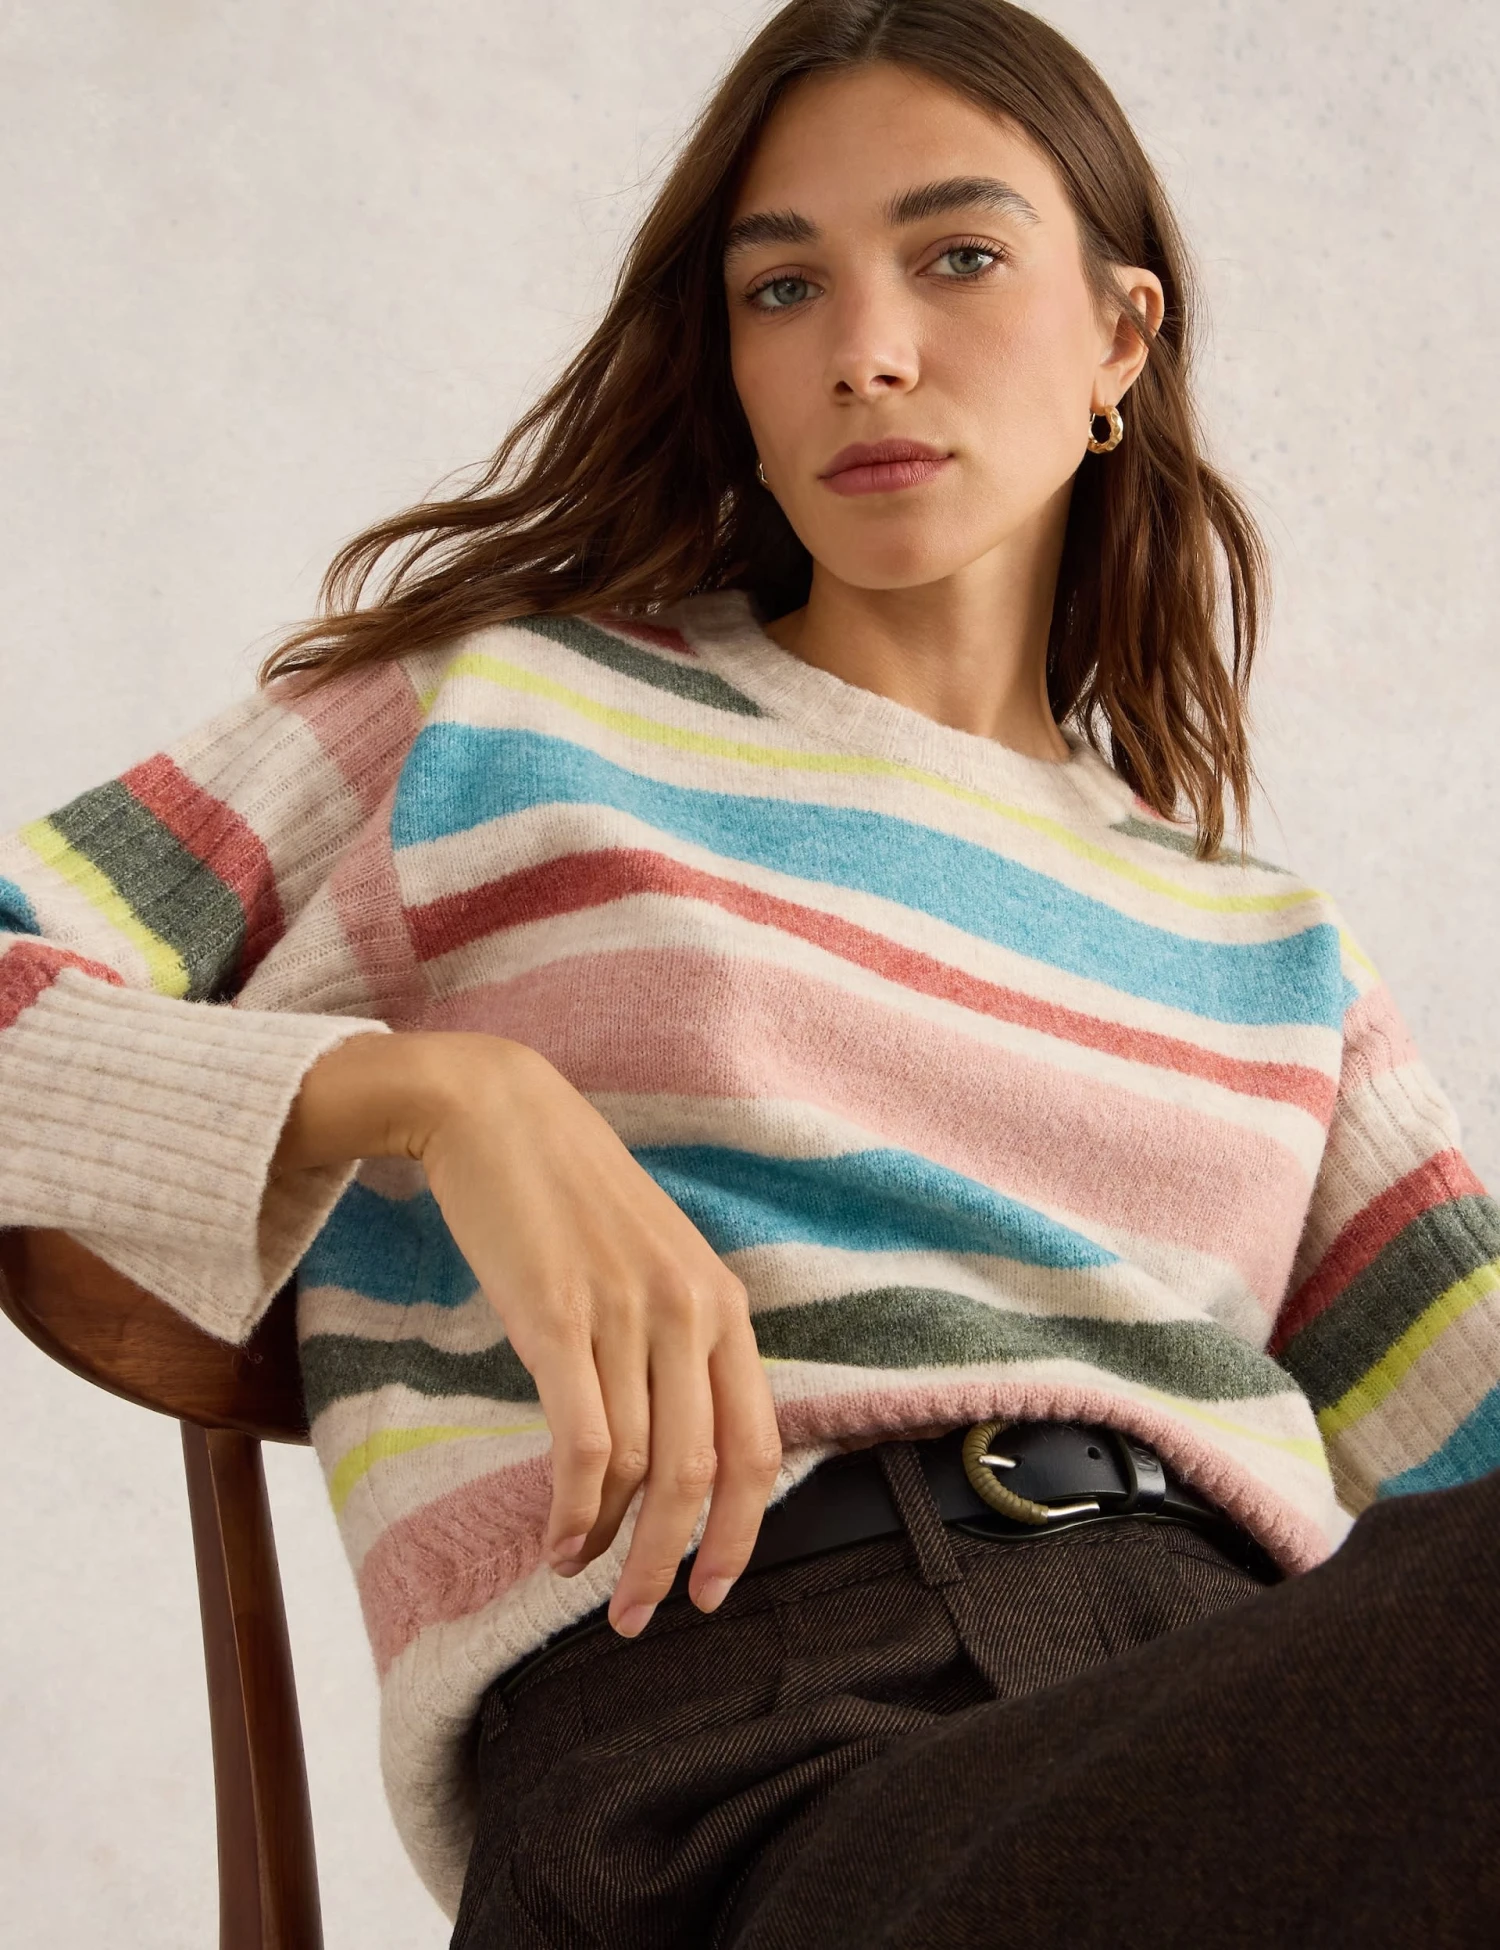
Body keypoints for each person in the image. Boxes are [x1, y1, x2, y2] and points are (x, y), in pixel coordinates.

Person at [3, 0, 1497, 1943]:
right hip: (740, 1761)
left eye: (957, 257)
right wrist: (442, 1096)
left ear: (1122, 337)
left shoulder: (1272, 951)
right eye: (782, 288)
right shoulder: (489, 715)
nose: (866, 349)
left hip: (1208, 1722)